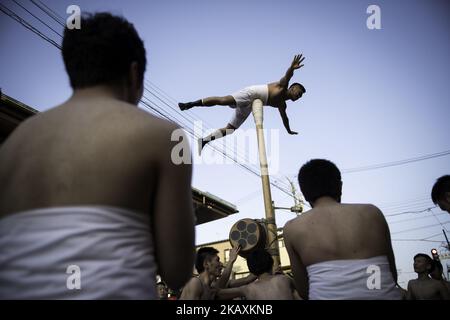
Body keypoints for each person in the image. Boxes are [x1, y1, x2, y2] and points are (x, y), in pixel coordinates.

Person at [0, 13, 195, 299]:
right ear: (133, 74)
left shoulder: (12, 146)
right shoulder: (164, 137)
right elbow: (177, 271)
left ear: (73, 71)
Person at [283, 159, 402, 300]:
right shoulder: (372, 213)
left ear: (304, 193)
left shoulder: (292, 228)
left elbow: (304, 291)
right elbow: (392, 275)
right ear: (339, 186)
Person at [178, 54, 306, 154]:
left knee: (230, 130)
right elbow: (287, 76)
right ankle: (190, 104)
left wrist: (289, 131)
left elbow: (285, 118)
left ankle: (204, 140)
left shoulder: (282, 105)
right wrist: (291, 67)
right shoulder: (282, 86)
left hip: (251, 105)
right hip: (251, 94)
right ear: (292, 88)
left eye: (300, 96)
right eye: (298, 93)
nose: (298, 96)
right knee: (223, 101)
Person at [216, 249, 301, 300]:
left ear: (251, 269)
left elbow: (216, 293)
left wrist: (231, 260)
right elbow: (304, 292)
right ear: (271, 263)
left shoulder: (247, 289)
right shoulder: (284, 280)